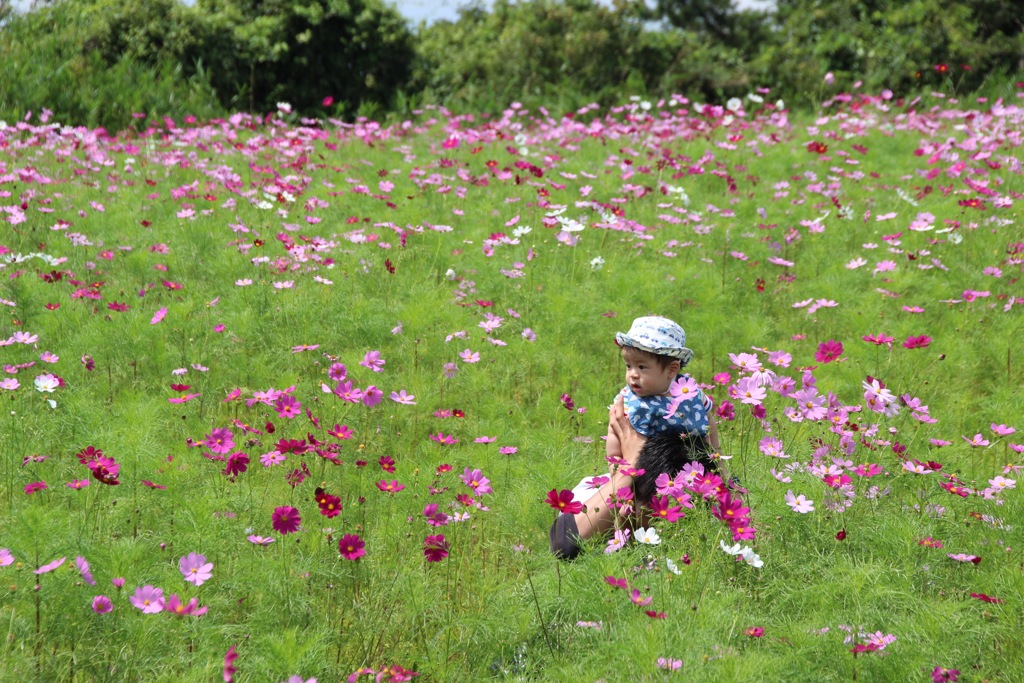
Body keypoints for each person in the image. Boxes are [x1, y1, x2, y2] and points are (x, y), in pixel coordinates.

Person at [550, 396, 718, 560]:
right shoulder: (598, 498)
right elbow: (564, 546)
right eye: (651, 507)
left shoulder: (700, 520)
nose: (662, 518)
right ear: (632, 492)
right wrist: (629, 467)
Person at [605, 316, 720, 464]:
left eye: (641, 367)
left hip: (693, 469)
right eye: (628, 366)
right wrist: (617, 469)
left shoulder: (691, 394)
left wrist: (718, 463)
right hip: (644, 473)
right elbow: (615, 435)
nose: (632, 374)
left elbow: (708, 423)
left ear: (672, 370)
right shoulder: (628, 401)